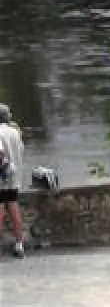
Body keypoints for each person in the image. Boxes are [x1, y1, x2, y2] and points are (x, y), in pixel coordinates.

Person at [0, 103, 25, 258]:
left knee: (0, 212)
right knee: (15, 210)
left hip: (1, 178)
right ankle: (19, 244)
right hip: (14, 179)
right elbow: (21, 151)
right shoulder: (15, 132)